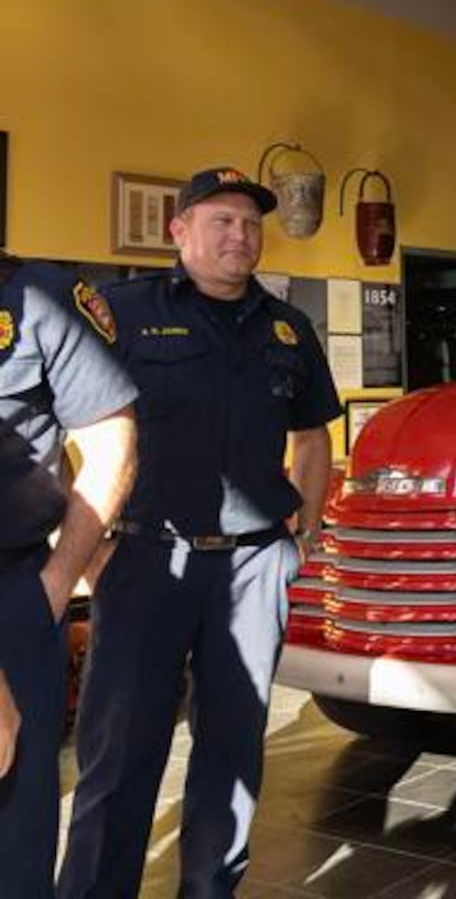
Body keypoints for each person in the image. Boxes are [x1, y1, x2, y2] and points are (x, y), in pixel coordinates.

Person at [59, 168, 341, 898]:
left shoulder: (288, 327)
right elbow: (60, 431)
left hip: (253, 570)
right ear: (178, 231)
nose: (239, 237)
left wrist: (302, 537)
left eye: (250, 225)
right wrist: (88, 546)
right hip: (144, 559)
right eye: (220, 221)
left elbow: (313, 440)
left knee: (232, 749)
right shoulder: (119, 312)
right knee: (120, 753)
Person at [0, 251, 137, 896]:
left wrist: (55, 588)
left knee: (17, 838)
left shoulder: (42, 297)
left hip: (14, 593)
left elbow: (113, 446)